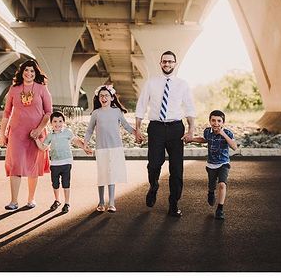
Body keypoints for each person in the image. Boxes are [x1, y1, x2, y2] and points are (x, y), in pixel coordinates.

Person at [134, 50, 196, 217]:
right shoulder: (151, 83)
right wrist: (138, 129)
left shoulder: (182, 84)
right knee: (154, 164)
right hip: (156, 128)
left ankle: (173, 203)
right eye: (164, 61)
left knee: (176, 169)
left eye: (170, 61)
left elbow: (189, 108)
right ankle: (153, 185)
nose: (167, 64)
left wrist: (191, 130)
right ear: (160, 63)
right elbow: (141, 106)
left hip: (176, 128)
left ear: (175, 64)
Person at [0, 59, 52, 210]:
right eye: (26, 70)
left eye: (32, 71)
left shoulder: (42, 89)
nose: (29, 73)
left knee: (33, 166)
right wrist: (2, 134)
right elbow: (6, 113)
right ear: (22, 72)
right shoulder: (14, 89)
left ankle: (31, 199)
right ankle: (13, 201)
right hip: (16, 133)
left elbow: (48, 113)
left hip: (36, 134)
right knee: (15, 165)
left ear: (36, 73)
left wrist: (39, 129)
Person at [84, 85, 135, 213]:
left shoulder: (117, 112)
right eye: (101, 96)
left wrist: (136, 133)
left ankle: (111, 203)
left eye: (106, 95)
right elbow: (89, 130)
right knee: (102, 175)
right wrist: (85, 143)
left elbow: (126, 126)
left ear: (112, 98)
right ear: (98, 98)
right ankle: (101, 202)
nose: (104, 98)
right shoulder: (96, 113)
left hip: (115, 148)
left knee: (111, 175)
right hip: (101, 149)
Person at [34, 110, 92, 214]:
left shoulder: (67, 132)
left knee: (66, 184)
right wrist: (36, 139)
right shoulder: (50, 136)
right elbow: (43, 147)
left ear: (63, 122)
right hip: (55, 164)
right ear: (51, 123)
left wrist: (85, 147)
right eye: (55, 121)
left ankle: (67, 203)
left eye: (60, 121)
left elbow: (76, 141)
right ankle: (57, 201)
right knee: (55, 184)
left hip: (66, 162)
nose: (58, 124)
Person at [191, 109, 238, 220]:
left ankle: (220, 209)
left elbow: (234, 147)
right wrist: (192, 139)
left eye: (219, 121)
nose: (216, 123)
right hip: (211, 164)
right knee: (212, 184)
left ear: (223, 122)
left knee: (222, 184)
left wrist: (223, 134)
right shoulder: (207, 132)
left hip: (223, 163)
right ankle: (211, 192)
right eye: (213, 120)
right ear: (210, 121)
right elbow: (204, 140)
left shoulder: (228, 133)